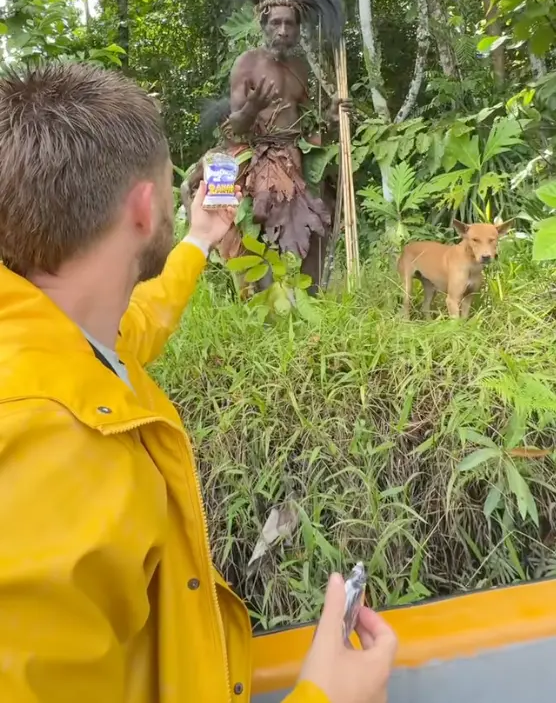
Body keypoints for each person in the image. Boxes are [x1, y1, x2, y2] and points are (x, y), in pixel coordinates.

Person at [0, 61, 396, 703]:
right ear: (144, 204)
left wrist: (201, 239)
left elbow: (137, 324)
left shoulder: (58, 339)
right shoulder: (39, 446)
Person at [183, 0, 345, 290]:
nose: (283, 30)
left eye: (290, 24)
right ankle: (236, 281)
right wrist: (252, 108)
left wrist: (331, 116)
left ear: (298, 30)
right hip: (251, 150)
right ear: (263, 25)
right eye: (276, 23)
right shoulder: (247, 64)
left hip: (293, 153)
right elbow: (235, 127)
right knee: (211, 197)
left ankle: (311, 290)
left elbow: (304, 120)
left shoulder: (300, 67)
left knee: (321, 205)